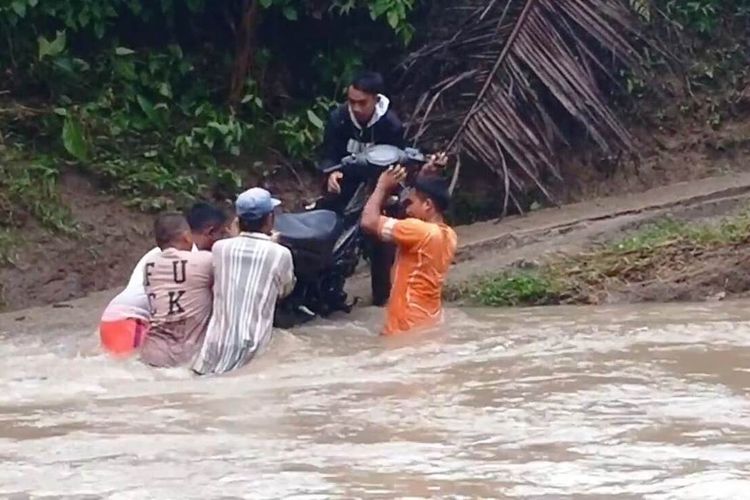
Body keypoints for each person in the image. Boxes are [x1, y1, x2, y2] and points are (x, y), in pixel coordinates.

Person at [318, 70, 406, 306]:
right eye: (351, 101)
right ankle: (326, 291)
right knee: (330, 230)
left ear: (376, 100)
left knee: (381, 240)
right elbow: (329, 153)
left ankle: (382, 298)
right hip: (345, 183)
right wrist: (331, 172)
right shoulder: (338, 118)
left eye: (362, 103)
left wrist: (385, 191)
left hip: (380, 187)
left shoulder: (391, 125)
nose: (355, 108)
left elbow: (398, 160)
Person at [99, 202, 233, 356]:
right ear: (210, 232)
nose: (223, 241)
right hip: (130, 322)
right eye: (222, 234)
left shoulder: (158, 255)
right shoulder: (194, 258)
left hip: (117, 319)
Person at [192, 188, 295, 376]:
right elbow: (284, 289)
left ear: (238, 220)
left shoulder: (219, 248)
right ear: (269, 219)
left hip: (215, 342)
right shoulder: (280, 254)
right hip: (252, 344)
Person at [360, 164, 458, 335]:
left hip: (405, 325)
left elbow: (368, 221)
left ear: (428, 205)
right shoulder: (449, 235)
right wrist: (424, 174)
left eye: (411, 203)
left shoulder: (419, 231)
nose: (407, 209)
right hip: (428, 322)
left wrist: (381, 186)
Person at [139, 212, 214, 367]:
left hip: (152, 352)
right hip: (187, 355)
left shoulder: (149, 264)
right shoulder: (205, 261)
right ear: (187, 237)